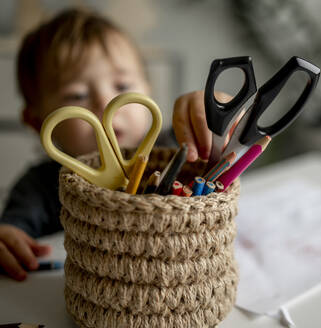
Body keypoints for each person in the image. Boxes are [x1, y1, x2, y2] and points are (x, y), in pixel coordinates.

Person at [0, 8, 216, 281]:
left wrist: (215, 118)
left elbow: (226, 151)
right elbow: (11, 235)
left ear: (148, 90)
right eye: (77, 94)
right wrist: (7, 239)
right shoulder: (39, 187)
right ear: (36, 121)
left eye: (122, 86)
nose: (106, 103)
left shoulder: (182, 150)